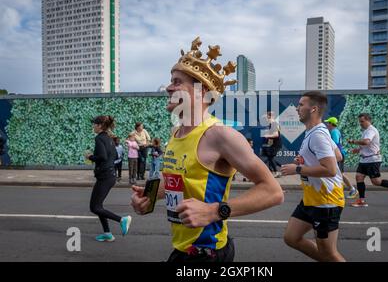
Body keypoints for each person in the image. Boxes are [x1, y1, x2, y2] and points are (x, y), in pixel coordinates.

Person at [130, 37, 284, 262]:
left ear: (201, 92)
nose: (168, 88)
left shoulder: (220, 135)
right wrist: (150, 196)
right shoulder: (176, 133)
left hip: (207, 253)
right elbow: (180, 180)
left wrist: (213, 211)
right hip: (182, 248)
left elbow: (273, 192)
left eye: (176, 81)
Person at [281, 91, 346, 262]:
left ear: (314, 109)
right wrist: (307, 161)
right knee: (291, 237)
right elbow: (338, 155)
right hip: (312, 199)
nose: (297, 108)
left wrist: (298, 168)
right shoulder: (317, 131)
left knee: (329, 253)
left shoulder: (318, 135)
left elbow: (331, 169)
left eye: (301, 104)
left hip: (326, 201)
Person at [85, 116, 132, 242]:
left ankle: (122, 220)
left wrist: (90, 157)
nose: (93, 126)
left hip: (105, 176)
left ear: (100, 125)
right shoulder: (110, 138)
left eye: (94, 124)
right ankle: (107, 233)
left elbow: (102, 156)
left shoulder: (99, 138)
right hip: (110, 175)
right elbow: (115, 155)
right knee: (98, 206)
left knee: (94, 207)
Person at [348, 113, 388, 207]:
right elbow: (367, 145)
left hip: (372, 160)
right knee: (359, 177)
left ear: (368, 120)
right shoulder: (366, 131)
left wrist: (353, 141)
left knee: (376, 181)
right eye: (360, 121)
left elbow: (366, 142)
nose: (360, 123)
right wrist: (358, 150)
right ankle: (361, 201)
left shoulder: (371, 130)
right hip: (364, 160)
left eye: (362, 121)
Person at [324, 117, 358, 199]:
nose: (327, 124)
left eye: (328, 123)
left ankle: (350, 190)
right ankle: (347, 190)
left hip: (338, 155)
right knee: (338, 174)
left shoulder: (334, 132)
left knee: (338, 174)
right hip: (339, 154)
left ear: (332, 124)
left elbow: (335, 145)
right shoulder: (334, 131)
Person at [261, 111, 282, 177]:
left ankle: (276, 172)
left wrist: (267, 136)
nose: (265, 120)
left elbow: (276, 135)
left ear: (269, 117)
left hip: (276, 144)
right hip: (273, 144)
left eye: (266, 118)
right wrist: (269, 144)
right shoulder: (271, 124)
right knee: (270, 157)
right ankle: (281, 168)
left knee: (270, 157)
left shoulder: (274, 124)